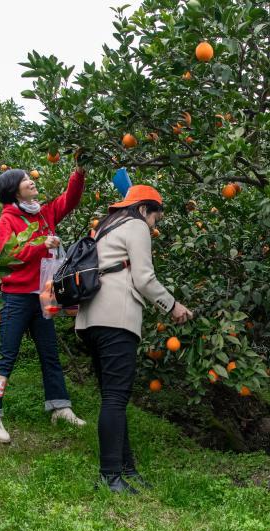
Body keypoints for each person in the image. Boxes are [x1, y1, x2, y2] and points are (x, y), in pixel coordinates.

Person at [75, 184, 193, 494]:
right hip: (116, 318)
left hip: (90, 320)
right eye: (156, 219)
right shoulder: (136, 225)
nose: (154, 227)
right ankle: (110, 475)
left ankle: (126, 468)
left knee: (112, 397)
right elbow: (143, 277)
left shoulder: (105, 228)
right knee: (115, 398)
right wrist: (173, 305)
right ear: (145, 209)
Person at [0, 161, 88, 443]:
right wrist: (41, 245)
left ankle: (59, 407)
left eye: (30, 177)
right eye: (25, 179)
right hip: (16, 297)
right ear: (14, 190)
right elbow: (8, 254)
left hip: (43, 295)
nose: (31, 181)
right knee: (6, 355)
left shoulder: (44, 213)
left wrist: (79, 172)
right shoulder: (8, 219)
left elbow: (70, 199)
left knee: (49, 354)